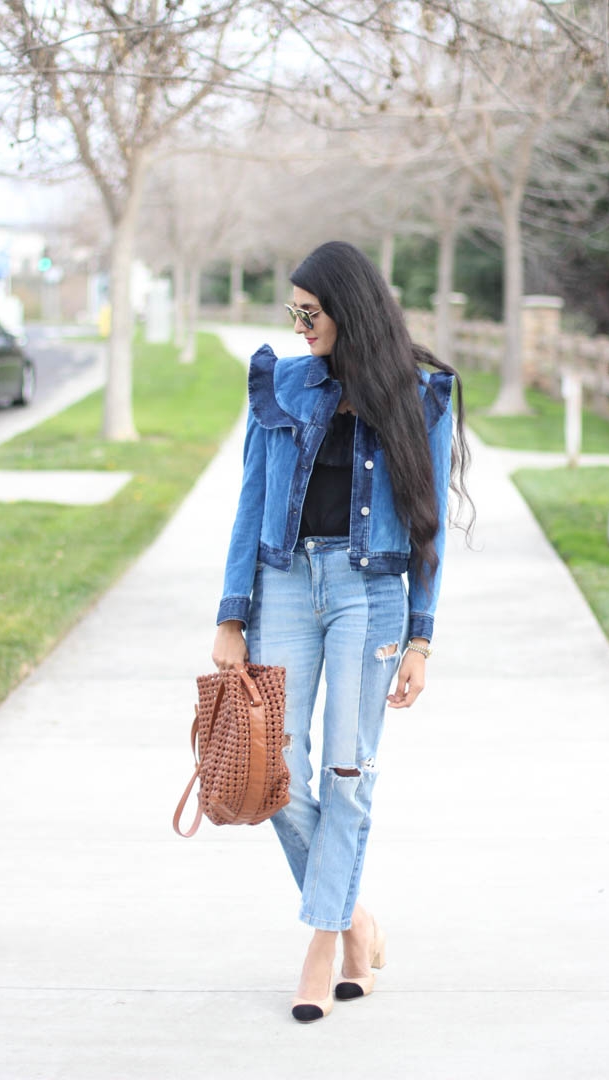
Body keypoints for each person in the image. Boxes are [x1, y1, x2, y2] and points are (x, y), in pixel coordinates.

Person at [212, 240, 471, 1023]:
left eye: (310, 311)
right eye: (293, 311)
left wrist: (422, 639)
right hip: (287, 585)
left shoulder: (421, 393)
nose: (297, 325)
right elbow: (251, 502)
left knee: (349, 773)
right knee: (276, 770)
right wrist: (232, 613)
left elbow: (427, 531)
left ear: (346, 309)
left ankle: (322, 946)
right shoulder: (280, 385)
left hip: (372, 597)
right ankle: (356, 920)